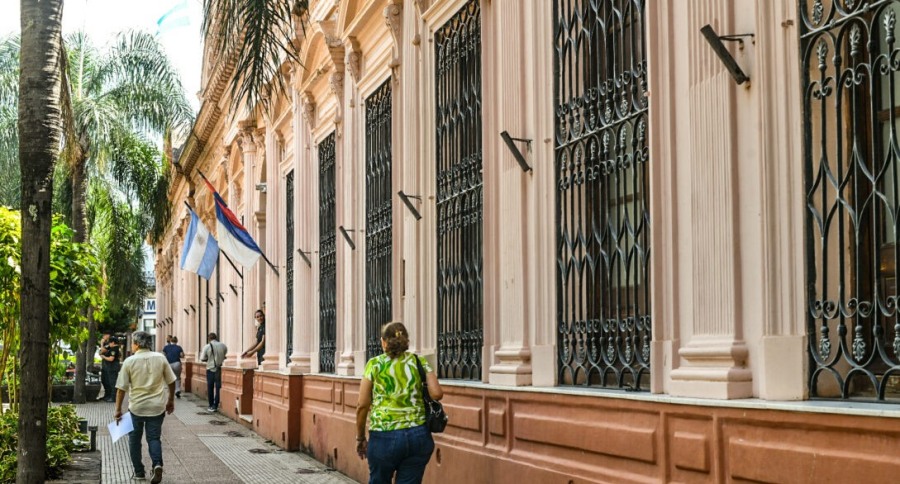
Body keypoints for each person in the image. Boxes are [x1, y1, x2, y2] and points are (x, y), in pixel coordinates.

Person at [356, 322, 444, 484]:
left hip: (384, 437)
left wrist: (360, 437)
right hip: (418, 435)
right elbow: (437, 393)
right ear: (406, 341)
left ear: (383, 342)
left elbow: (362, 404)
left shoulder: (374, 365)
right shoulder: (418, 361)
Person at [114, 331, 176, 484]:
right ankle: (157, 464)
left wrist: (117, 410)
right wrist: (170, 401)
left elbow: (121, 388)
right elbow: (172, 381)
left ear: (135, 344)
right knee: (154, 438)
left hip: (136, 407)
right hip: (157, 407)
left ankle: (139, 472)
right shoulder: (161, 358)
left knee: (134, 440)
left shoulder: (129, 361)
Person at [200, 332, 227, 413]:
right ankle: (216, 405)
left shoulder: (207, 346)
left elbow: (202, 358)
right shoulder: (223, 345)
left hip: (210, 369)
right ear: (216, 337)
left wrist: (209, 359)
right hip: (219, 369)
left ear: (209, 338)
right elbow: (225, 355)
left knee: (210, 387)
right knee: (218, 387)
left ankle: (211, 405)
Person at [101, 335, 122, 402]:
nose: (109, 344)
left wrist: (103, 357)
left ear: (113, 342)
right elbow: (101, 351)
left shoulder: (115, 349)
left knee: (112, 382)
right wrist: (102, 344)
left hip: (112, 367)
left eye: (110, 342)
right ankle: (108, 395)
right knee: (107, 381)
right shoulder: (110, 347)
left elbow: (111, 359)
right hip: (108, 367)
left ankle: (113, 397)